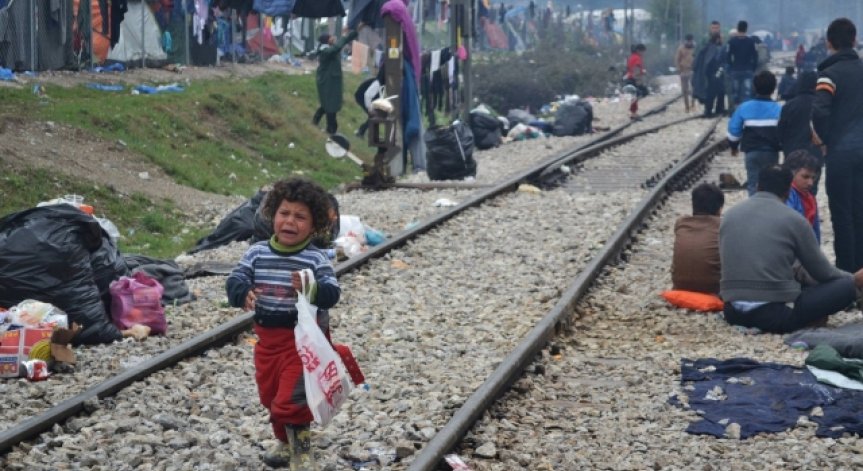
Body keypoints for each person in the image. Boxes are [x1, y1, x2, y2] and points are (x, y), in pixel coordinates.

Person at [226, 178, 341, 469]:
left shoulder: (315, 258)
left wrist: (310, 287)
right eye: (284, 213)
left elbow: (331, 292)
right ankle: (284, 441)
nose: (290, 221)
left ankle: (301, 448)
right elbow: (236, 279)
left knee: (292, 398)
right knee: (270, 395)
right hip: (267, 341)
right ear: (273, 216)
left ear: (314, 226)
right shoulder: (257, 252)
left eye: (300, 216)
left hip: (301, 342)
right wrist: (242, 292)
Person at [720, 166, 863, 334]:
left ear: (758, 186)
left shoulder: (729, 215)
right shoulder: (794, 220)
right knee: (847, 286)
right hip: (775, 314)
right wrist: (852, 280)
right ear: (788, 190)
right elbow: (823, 273)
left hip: (732, 312)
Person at [812, 17, 863, 272]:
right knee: (860, 213)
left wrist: (829, 140)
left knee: (842, 215)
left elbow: (819, 113)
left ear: (829, 43)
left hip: (841, 155)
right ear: (854, 40)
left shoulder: (828, 75)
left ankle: (847, 277)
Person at [727, 70, 782, 195]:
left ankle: (754, 209)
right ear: (774, 89)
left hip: (751, 152)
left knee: (753, 184)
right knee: (771, 185)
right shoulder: (779, 109)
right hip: (771, 153)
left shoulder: (744, 107)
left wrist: (734, 147)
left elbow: (733, 132)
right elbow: (784, 132)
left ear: (754, 87)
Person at [671, 183, 724, 294]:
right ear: (719, 209)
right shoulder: (722, 225)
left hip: (680, 285)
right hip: (713, 288)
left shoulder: (681, 223)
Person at [778, 70, 823, 193]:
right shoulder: (822, 105)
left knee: (791, 189)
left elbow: (780, 133)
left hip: (793, 153)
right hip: (815, 153)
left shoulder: (789, 106)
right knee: (811, 188)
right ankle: (809, 210)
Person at [313, 26, 361, 135]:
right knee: (330, 105)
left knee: (328, 103)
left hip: (331, 81)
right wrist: (344, 36)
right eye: (331, 38)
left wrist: (356, 31)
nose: (333, 38)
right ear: (327, 40)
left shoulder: (329, 48)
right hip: (327, 82)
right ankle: (331, 129)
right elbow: (337, 47)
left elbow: (341, 43)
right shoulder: (325, 51)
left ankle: (315, 121)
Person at [783, 150, 821, 242]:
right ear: (791, 173)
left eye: (813, 178)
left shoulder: (810, 197)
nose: (810, 183)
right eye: (805, 177)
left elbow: (816, 231)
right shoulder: (786, 195)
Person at [726, 20, 758, 110]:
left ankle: (736, 111)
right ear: (746, 29)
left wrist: (731, 66)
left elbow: (728, 56)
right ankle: (746, 111)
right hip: (748, 70)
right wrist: (753, 68)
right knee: (747, 92)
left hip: (735, 69)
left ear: (737, 28)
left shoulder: (731, 41)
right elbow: (755, 56)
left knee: (735, 92)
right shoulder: (751, 41)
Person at [692, 32, 726, 117]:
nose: (722, 40)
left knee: (710, 93)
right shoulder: (717, 49)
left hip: (707, 75)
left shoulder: (705, 48)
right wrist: (718, 74)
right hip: (715, 74)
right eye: (721, 38)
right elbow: (719, 62)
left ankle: (708, 110)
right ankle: (718, 109)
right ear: (717, 39)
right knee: (720, 91)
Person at [625, 43, 647, 120]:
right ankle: (633, 112)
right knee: (640, 93)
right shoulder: (637, 58)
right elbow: (636, 69)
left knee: (635, 95)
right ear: (639, 51)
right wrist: (638, 79)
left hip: (630, 78)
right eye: (643, 51)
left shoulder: (632, 57)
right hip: (633, 79)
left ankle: (633, 112)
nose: (644, 53)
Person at [675, 34, 696, 113]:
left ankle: (693, 104)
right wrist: (678, 69)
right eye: (688, 40)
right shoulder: (681, 48)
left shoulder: (695, 48)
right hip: (684, 70)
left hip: (693, 70)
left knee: (694, 89)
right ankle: (687, 107)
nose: (689, 42)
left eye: (691, 40)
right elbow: (677, 59)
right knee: (684, 90)